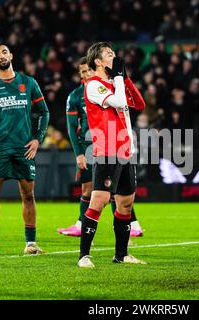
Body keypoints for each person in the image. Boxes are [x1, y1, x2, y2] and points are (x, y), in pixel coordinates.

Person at [0, 42, 50, 255]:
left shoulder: (28, 83)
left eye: (4, 52)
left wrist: (37, 139)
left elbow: (44, 112)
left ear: (11, 55)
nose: (1, 56)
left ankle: (30, 244)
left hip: (24, 149)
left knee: (28, 195)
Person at [57, 57, 144, 237]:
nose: (86, 74)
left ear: (93, 68)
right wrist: (79, 153)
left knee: (112, 190)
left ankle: (130, 224)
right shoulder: (75, 96)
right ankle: (83, 226)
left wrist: (123, 78)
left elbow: (133, 105)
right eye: (82, 72)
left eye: (88, 70)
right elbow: (72, 128)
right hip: (88, 146)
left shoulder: (106, 87)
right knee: (90, 189)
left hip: (109, 144)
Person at [77, 42, 146, 268]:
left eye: (115, 54)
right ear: (97, 61)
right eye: (109, 54)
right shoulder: (93, 85)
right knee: (100, 200)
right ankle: (84, 256)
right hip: (107, 149)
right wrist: (117, 80)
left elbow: (139, 103)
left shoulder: (116, 83)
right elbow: (118, 102)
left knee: (125, 203)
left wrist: (124, 78)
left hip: (125, 150)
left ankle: (122, 254)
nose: (114, 57)